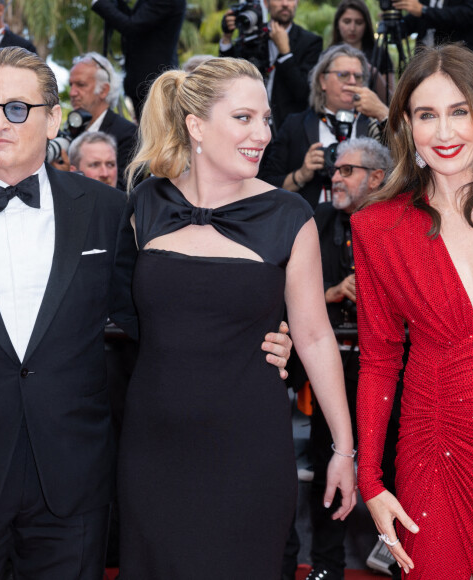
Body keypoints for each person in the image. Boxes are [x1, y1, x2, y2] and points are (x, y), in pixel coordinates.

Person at [0, 45, 293, 579]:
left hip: (73, 480)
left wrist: (253, 338)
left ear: (53, 118)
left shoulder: (109, 211)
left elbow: (156, 314)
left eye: (16, 109)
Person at [118, 56, 357, 579]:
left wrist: (343, 448)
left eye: (267, 119)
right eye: (244, 118)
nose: (264, 134)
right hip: (153, 447)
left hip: (249, 447)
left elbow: (316, 336)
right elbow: (120, 319)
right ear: (196, 125)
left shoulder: (289, 215)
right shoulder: (145, 205)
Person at [351, 44, 473, 579]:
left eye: (459, 111)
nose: (444, 132)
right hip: (434, 450)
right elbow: (378, 356)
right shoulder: (379, 229)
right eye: (427, 114)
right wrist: (370, 480)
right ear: (406, 126)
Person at [302, 137, 391, 580]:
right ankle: (325, 565)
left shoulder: (402, 222)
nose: (335, 178)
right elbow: (288, 298)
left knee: (397, 465)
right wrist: (334, 293)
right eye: (335, 170)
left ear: (377, 177)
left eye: (346, 171)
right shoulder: (316, 221)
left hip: (395, 371)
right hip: (335, 366)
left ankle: (403, 559)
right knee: (328, 463)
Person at [259, 44, 389, 209]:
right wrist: (300, 175)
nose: (352, 81)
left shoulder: (375, 124)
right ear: (322, 81)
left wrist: (384, 113)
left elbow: (403, 170)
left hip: (366, 221)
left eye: (358, 76)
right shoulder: (295, 125)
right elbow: (265, 185)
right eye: (343, 75)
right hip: (309, 222)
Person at [220, 0, 323, 133]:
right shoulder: (251, 36)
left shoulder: (311, 42)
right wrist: (227, 37)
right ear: (266, 3)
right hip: (250, 127)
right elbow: (228, 78)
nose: (285, 4)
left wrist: (285, 53)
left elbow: (304, 93)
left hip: (289, 130)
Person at [91, 0, 186, 121]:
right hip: (143, 82)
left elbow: (132, 26)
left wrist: (99, 4)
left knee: (155, 133)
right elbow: (135, 20)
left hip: (154, 83)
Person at [69, 52, 137, 190]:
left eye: (80, 85)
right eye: (71, 85)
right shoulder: (71, 130)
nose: (72, 93)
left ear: (104, 90)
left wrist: (66, 176)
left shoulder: (128, 134)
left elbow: (124, 191)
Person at [330, 0, 394, 102]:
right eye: (347, 21)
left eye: (359, 22)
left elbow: (391, 100)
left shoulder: (379, 53)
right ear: (337, 23)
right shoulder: (328, 55)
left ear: (366, 24)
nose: (352, 28)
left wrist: (373, 73)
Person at [392, 0, 473, 61]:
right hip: (424, 60)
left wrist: (424, 10)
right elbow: (417, 18)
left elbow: (467, 15)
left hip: (462, 61)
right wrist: (393, 20)